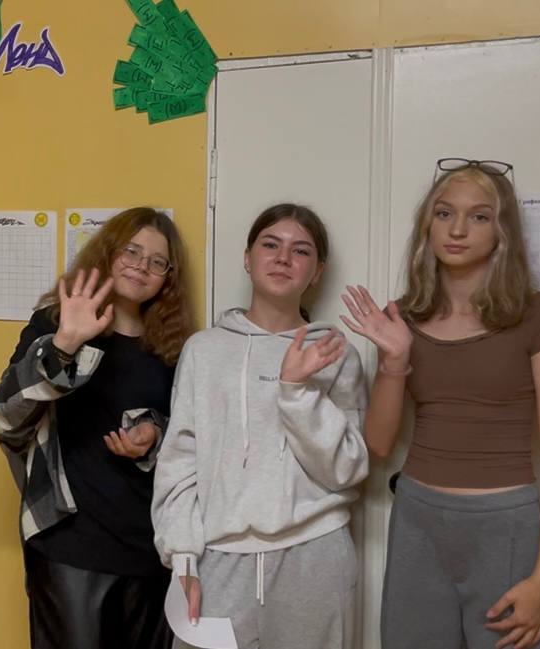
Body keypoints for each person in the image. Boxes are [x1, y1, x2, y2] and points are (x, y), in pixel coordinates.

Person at [342, 159, 540, 649]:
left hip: (507, 527)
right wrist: (395, 359)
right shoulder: (401, 316)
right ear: (427, 224)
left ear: (502, 230)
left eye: (479, 216)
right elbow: (378, 445)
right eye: (445, 213)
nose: (457, 229)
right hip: (418, 522)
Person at [152, 203, 369, 649]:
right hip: (219, 558)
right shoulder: (204, 350)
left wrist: (296, 391)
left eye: (301, 250)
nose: (283, 258)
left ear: (317, 271)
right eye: (270, 245)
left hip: (314, 556)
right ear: (248, 259)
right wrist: (184, 559)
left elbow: (346, 470)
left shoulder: (334, 353)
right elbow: (180, 462)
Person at [0, 207, 194, 649]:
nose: (141, 266)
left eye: (157, 261)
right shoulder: (56, 323)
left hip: (148, 547)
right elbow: (5, 416)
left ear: (168, 278)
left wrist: (155, 435)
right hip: (70, 544)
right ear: (108, 252)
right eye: (131, 252)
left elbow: (190, 433)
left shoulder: (173, 347)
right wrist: (66, 343)